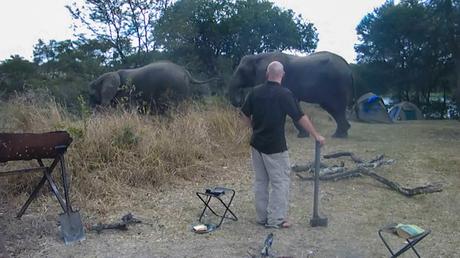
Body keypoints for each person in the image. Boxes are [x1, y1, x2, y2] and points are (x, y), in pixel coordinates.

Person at [240, 61, 325, 229]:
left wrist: (253, 128)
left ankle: (262, 217)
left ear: (267, 74)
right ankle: (276, 220)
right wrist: (316, 135)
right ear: (282, 75)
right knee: (280, 182)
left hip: (256, 144)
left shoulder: (255, 92)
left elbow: (243, 114)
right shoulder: (284, 94)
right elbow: (299, 117)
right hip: (275, 147)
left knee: (261, 181)